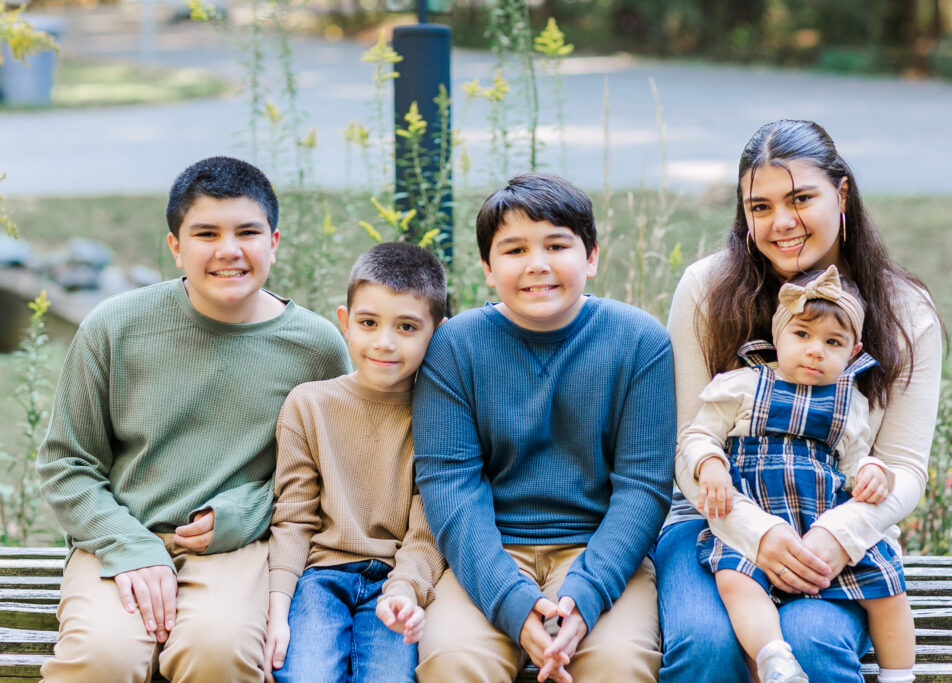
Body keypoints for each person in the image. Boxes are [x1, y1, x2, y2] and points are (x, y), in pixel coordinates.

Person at [36, 156, 350, 683]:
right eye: (206, 233)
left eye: (247, 232)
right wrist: (131, 547)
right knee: (101, 658)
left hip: (239, 548)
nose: (229, 250)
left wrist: (242, 514)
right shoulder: (114, 328)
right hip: (121, 536)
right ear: (176, 246)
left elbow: (329, 476)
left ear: (273, 242)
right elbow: (66, 464)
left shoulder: (315, 348)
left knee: (218, 651)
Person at [655, 119, 941, 683]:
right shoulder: (705, 291)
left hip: (836, 523)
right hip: (712, 519)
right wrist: (756, 533)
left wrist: (840, 534)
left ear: (841, 194)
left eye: (800, 198)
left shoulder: (906, 313)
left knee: (813, 645)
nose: (781, 223)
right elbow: (688, 443)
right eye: (759, 207)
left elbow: (904, 467)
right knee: (706, 645)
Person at [412, 172, 675, 683]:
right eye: (513, 251)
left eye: (557, 244)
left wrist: (587, 594)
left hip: (601, 550)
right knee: (453, 660)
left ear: (592, 256)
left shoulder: (640, 342)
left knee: (619, 663)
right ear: (488, 269)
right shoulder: (455, 349)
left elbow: (644, 488)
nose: (537, 264)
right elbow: (450, 485)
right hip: (489, 551)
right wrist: (511, 601)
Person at [688, 266, 915, 683]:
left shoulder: (849, 403)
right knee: (735, 582)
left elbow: (854, 459)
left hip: (821, 526)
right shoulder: (740, 384)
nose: (815, 351)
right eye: (802, 336)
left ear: (853, 351)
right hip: (752, 521)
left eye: (833, 343)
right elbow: (698, 435)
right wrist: (711, 465)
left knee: (888, 587)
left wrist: (872, 470)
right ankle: (775, 658)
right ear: (777, 336)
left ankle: (899, 674)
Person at [262, 241, 448, 682]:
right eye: (368, 322)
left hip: (394, 582)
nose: (384, 342)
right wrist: (277, 609)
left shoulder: (440, 416)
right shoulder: (309, 405)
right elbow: (292, 518)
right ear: (345, 323)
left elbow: (428, 530)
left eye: (406, 327)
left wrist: (406, 591)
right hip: (319, 580)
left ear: (437, 332)